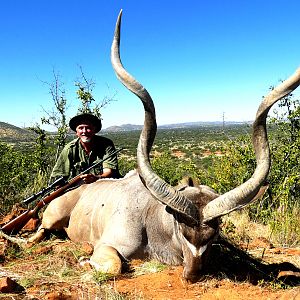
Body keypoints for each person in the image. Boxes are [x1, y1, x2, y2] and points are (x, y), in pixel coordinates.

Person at [50, 113, 119, 185]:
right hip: (80, 188)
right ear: (76, 132)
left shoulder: (107, 144)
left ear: (94, 130)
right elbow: (59, 175)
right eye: (80, 128)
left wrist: (96, 178)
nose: (84, 131)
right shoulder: (69, 148)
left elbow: (109, 172)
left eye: (88, 128)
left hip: (105, 185)